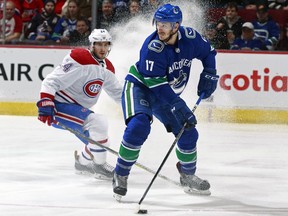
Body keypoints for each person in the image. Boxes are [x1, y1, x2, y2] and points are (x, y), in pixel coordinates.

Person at [112, 3, 219, 198]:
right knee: (139, 126)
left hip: (164, 93)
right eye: (158, 23)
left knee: (188, 133)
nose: (159, 28)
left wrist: (210, 72)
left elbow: (209, 53)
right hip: (140, 88)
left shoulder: (191, 38)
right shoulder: (152, 48)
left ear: (176, 26)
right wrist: (181, 106)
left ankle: (188, 176)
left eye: (165, 24)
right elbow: (158, 88)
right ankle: (120, 173)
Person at [36, 29, 123, 180]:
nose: (103, 49)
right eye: (99, 44)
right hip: (59, 105)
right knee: (98, 123)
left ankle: (82, 163)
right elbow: (51, 81)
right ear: (91, 45)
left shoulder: (108, 68)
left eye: (106, 44)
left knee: (100, 140)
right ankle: (100, 166)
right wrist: (46, 102)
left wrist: (136, 109)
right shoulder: (79, 58)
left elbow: (118, 94)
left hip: (77, 110)